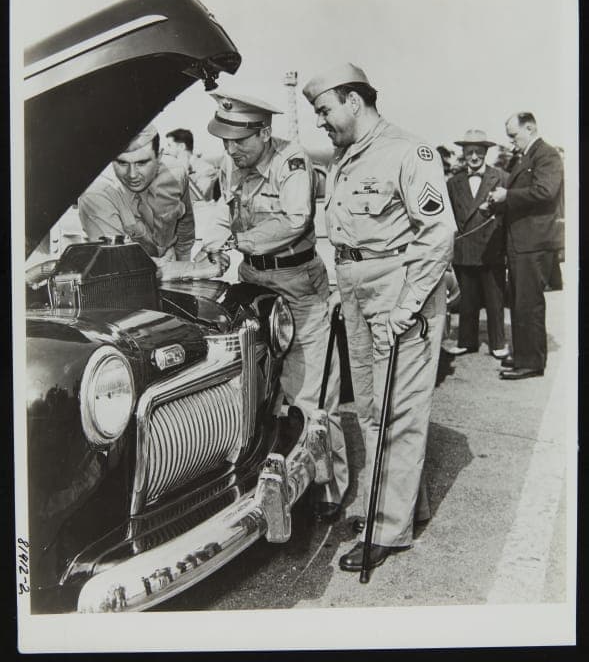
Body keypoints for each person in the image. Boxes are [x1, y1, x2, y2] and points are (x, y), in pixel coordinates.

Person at [302, 63, 455, 572]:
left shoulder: (410, 152)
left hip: (399, 294)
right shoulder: (346, 159)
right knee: (371, 407)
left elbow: (436, 235)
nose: (321, 121)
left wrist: (406, 309)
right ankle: (399, 506)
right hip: (356, 290)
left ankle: (387, 528)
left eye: (324, 110)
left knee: (401, 411)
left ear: (352, 100)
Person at [201, 91, 349, 519]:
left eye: (240, 141)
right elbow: (226, 213)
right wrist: (218, 242)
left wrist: (238, 242)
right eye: (225, 141)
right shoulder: (234, 163)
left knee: (312, 393)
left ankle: (328, 488)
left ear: (265, 132)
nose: (231, 150)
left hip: (298, 285)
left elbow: (296, 219)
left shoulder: (292, 161)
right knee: (257, 388)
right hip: (253, 281)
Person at [78, 124, 225, 280]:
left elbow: (185, 230)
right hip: (121, 287)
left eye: (142, 163)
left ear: (159, 156)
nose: (132, 174)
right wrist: (191, 269)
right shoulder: (97, 193)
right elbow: (118, 266)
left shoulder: (175, 174)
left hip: (170, 271)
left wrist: (185, 275)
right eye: (122, 163)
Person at [486, 112, 564, 380]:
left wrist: (507, 195)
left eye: (513, 135)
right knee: (520, 302)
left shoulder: (546, 154)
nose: (511, 142)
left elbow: (546, 191)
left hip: (534, 242)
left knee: (528, 303)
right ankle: (523, 355)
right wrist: (499, 202)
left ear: (529, 128)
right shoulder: (529, 155)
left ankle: (531, 362)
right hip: (523, 242)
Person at [446, 129, 509, 359]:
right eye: (470, 152)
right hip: (464, 249)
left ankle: (498, 343)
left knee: (495, 300)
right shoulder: (454, 182)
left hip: (492, 247)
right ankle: (466, 341)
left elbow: (509, 212)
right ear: (463, 153)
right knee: (467, 300)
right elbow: (450, 217)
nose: (474, 157)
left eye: (479, 152)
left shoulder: (501, 177)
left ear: (486, 152)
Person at [164, 128, 218, 202]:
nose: (166, 150)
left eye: (169, 145)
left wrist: (184, 172)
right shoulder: (174, 169)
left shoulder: (206, 169)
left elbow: (197, 198)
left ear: (182, 146)